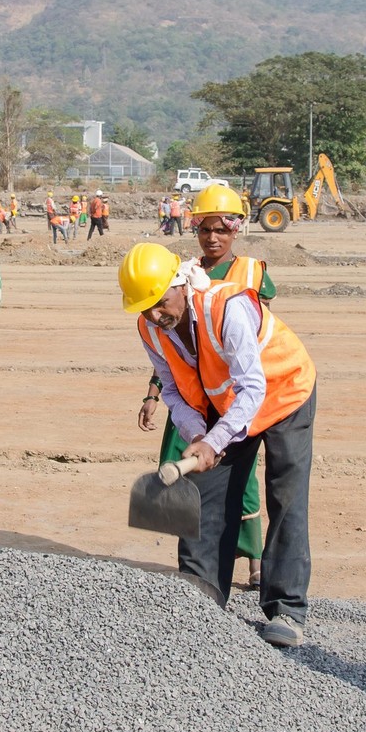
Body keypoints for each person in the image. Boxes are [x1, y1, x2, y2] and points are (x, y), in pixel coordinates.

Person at [120, 241, 316, 647]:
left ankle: (285, 609)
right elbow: (172, 390)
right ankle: (200, 599)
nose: (156, 315)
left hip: (283, 392)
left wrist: (217, 439)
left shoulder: (226, 307)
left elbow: (253, 386)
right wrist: (196, 436)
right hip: (226, 402)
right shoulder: (150, 328)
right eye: (145, 308)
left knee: (286, 494)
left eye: (160, 302)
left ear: (180, 284)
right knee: (207, 497)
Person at [137, 185, 272, 589]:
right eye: (204, 230)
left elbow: (255, 343)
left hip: (236, 396)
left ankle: (253, 560)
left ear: (235, 230)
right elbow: (169, 345)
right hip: (193, 399)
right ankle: (199, 566)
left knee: (242, 480)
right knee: (189, 473)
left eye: (221, 230)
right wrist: (154, 392)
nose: (212, 238)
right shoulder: (179, 272)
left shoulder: (251, 273)